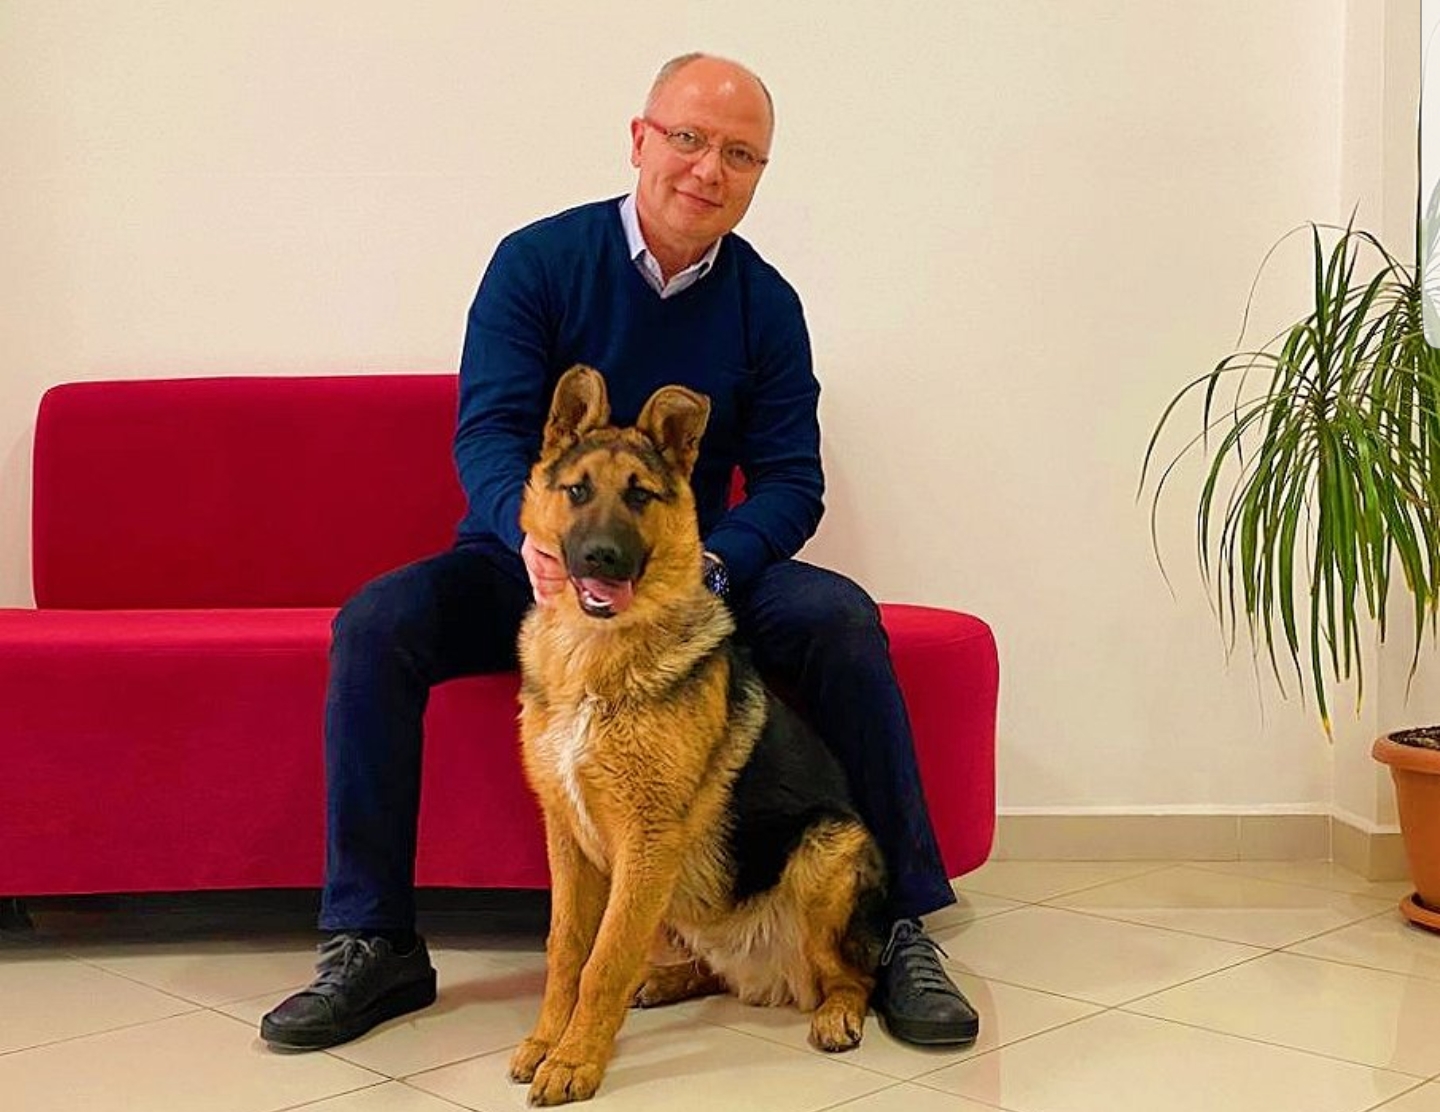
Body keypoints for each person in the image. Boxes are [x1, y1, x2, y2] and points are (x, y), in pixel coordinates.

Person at [260, 52, 979, 1052]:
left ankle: (895, 929)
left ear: (759, 174)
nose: (708, 169)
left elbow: (790, 480)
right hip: (530, 562)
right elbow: (489, 428)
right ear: (640, 140)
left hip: (689, 572)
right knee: (379, 624)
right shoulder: (537, 263)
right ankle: (372, 938)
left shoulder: (765, 304)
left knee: (838, 619)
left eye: (739, 154)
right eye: (688, 138)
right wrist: (530, 534)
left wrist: (714, 565)